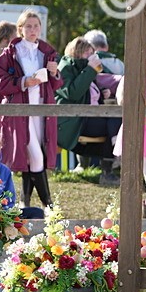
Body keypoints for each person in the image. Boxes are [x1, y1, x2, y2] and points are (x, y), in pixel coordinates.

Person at [0, 8, 63, 209]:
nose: (33, 30)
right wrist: (23, 81)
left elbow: (57, 85)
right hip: (20, 111)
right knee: (35, 154)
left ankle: (25, 202)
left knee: (33, 156)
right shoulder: (10, 53)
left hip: (42, 110)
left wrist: (55, 73)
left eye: (36, 26)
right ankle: (48, 204)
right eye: (28, 26)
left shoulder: (47, 52)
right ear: (20, 29)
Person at [56, 36, 121, 186]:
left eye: (92, 53)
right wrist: (90, 69)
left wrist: (102, 91)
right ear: (76, 52)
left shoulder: (85, 69)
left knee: (115, 119)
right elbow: (73, 93)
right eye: (87, 52)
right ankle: (109, 168)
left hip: (87, 116)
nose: (91, 56)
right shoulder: (66, 68)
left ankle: (112, 159)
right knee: (113, 123)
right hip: (73, 121)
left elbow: (88, 95)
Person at [114, 45, 146, 220]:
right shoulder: (129, 79)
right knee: (133, 180)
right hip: (133, 129)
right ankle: (134, 218)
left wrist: (145, 101)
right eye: (143, 65)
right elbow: (124, 100)